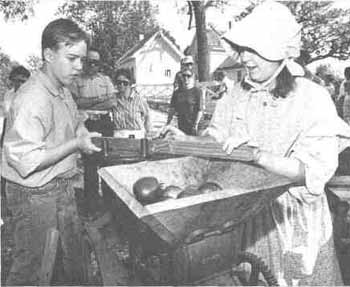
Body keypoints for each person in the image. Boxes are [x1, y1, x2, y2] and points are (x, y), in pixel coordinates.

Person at [161, 1, 350, 285]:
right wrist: (189, 141)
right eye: (244, 49)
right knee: (252, 276)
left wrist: (257, 155)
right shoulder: (237, 94)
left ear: (280, 52)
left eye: (256, 50)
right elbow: (217, 138)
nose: (246, 59)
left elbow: (310, 172)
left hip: (293, 220)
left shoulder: (311, 98)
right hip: (246, 215)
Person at [2, 18, 101, 285]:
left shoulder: (62, 89)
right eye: (72, 58)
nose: (79, 66)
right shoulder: (33, 98)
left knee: (72, 259)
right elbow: (26, 160)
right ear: (48, 54)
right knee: (32, 268)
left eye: (81, 59)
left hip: (61, 185)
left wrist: (80, 131)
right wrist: (76, 145)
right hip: (33, 194)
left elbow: (74, 118)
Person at [70, 48, 115, 137]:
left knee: (106, 148)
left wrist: (86, 104)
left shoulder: (106, 80)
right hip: (84, 123)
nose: (92, 64)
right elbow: (75, 103)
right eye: (89, 61)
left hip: (104, 122)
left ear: (99, 64)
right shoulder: (75, 80)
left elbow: (111, 103)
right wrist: (100, 99)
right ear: (84, 62)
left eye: (96, 62)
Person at [110, 68, 151, 138]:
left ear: (130, 83)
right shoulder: (113, 99)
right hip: (118, 135)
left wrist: (148, 133)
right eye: (119, 82)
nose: (121, 85)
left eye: (125, 83)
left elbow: (147, 117)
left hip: (136, 135)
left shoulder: (139, 100)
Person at [165, 68, 203, 135]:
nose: (186, 78)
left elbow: (200, 110)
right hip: (181, 126)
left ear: (193, 77)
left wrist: (196, 124)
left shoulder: (197, 92)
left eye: (188, 76)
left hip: (194, 126)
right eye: (184, 76)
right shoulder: (177, 93)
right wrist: (167, 123)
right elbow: (172, 109)